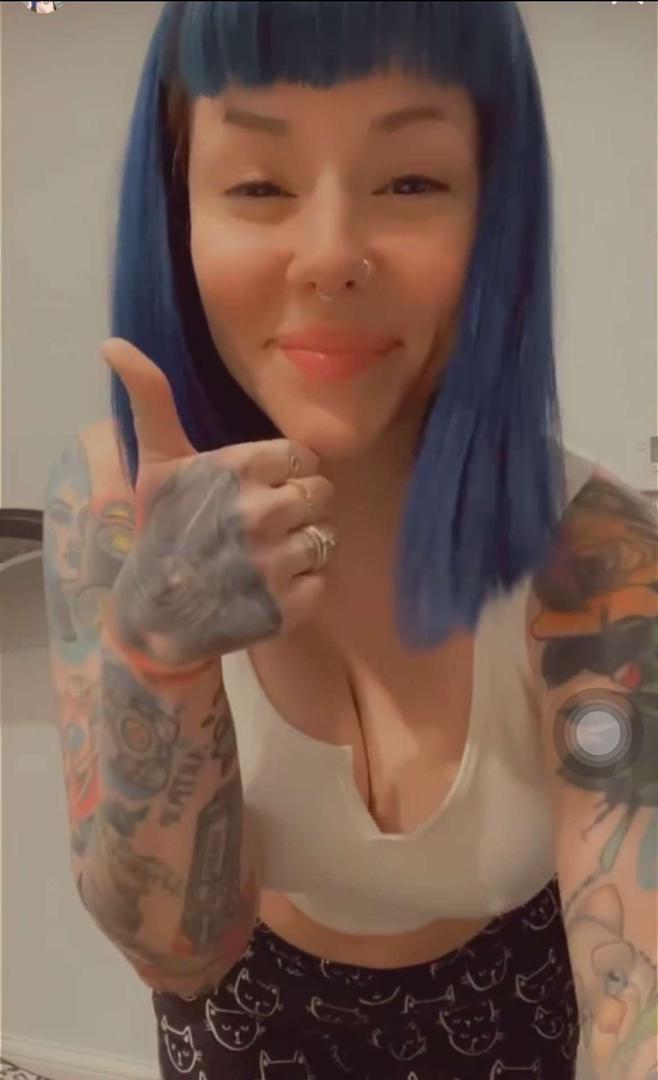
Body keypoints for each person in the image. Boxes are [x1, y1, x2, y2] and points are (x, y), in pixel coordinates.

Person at [42, 2, 657, 1078]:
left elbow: (635, 990)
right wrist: (158, 655)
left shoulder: (598, 558)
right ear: (179, 213)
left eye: (410, 183)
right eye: (258, 186)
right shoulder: (111, 506)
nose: (330, 256)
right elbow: (175, 954)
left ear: (495, 211)